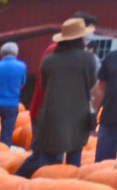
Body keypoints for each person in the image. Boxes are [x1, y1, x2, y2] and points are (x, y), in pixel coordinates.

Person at [18, 18, 100, 175]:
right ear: (80, 38)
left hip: (52, 115)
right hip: (78, 116)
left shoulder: (50, 59)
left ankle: (41, 188)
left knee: (48, 161)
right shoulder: (88, 59)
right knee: (74, 160)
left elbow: (45, 82)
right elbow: (91, 85)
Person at [34, 12, 100, 112]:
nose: (91, 35)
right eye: (89, 30)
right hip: (50, 111)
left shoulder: (80, 55)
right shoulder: (55, 52)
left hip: (63, 112)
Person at [97, 40, 117, 162]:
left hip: (110, 119)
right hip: (110, 118)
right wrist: (94, 113)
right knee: (102, 164)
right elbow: (101, 88)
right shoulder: (112, 58)